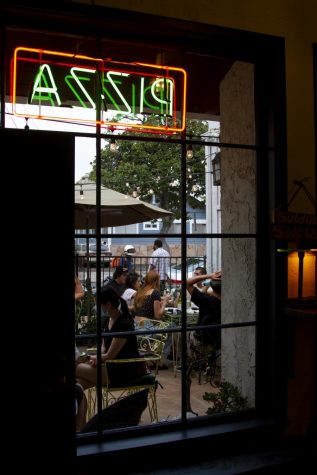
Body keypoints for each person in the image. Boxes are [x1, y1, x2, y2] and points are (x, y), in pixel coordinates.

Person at [76, 287, 147, 390]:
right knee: (78, 385)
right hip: (109, 366)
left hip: (122, 370)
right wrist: (96, 358)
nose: (97, 308)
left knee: (75, 367)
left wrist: (91, 358)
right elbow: (103, 348)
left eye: (99, 305)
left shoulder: (124, 324)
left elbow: (110, 355)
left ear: (108, 305)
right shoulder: (109, 320)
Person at [134, 270, 172, 368]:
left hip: (135, 326)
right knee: (172, 328)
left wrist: (161, 300)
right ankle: (159, 360)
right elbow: (158, 315)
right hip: (146, 328)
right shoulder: (155, 292)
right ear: (156, 281)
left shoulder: (141, 291)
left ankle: (152, 357)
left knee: (163, 328)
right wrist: (165, 302)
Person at [186, 270, 222, 348]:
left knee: (183, 332)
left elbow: (187, 283)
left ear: (212, 285)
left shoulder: (206, 300)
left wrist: (210, 276)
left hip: (203, 339)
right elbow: (205, 292)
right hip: (218, 339)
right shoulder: (227, 302)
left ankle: (189, 358)